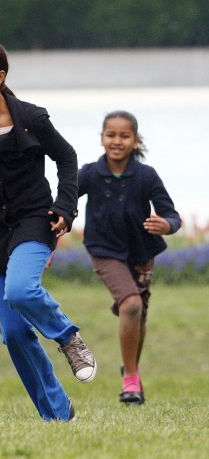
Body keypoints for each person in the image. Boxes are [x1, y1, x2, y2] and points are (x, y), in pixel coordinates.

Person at [0, 37, 96, 421]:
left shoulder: (31, 117)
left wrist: (65, 207)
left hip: (32, 220)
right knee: (12, 333)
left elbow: (68, 158)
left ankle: (67, 336)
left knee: (22, 290)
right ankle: (59, 415)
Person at [78, 110, 181, 406]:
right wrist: (56, 227)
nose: (117, 141)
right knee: (132, 303)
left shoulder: (146, 176)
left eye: (124, 136)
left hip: (142, 252)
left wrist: (167, 225)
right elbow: (66, 199)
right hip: (104, 250)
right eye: (111, 135)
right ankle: (131, 379)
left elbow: (171, 214)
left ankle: (130, 368)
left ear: (135, 141)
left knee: (139, 314)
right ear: (101, 139)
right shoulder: (90, 174)